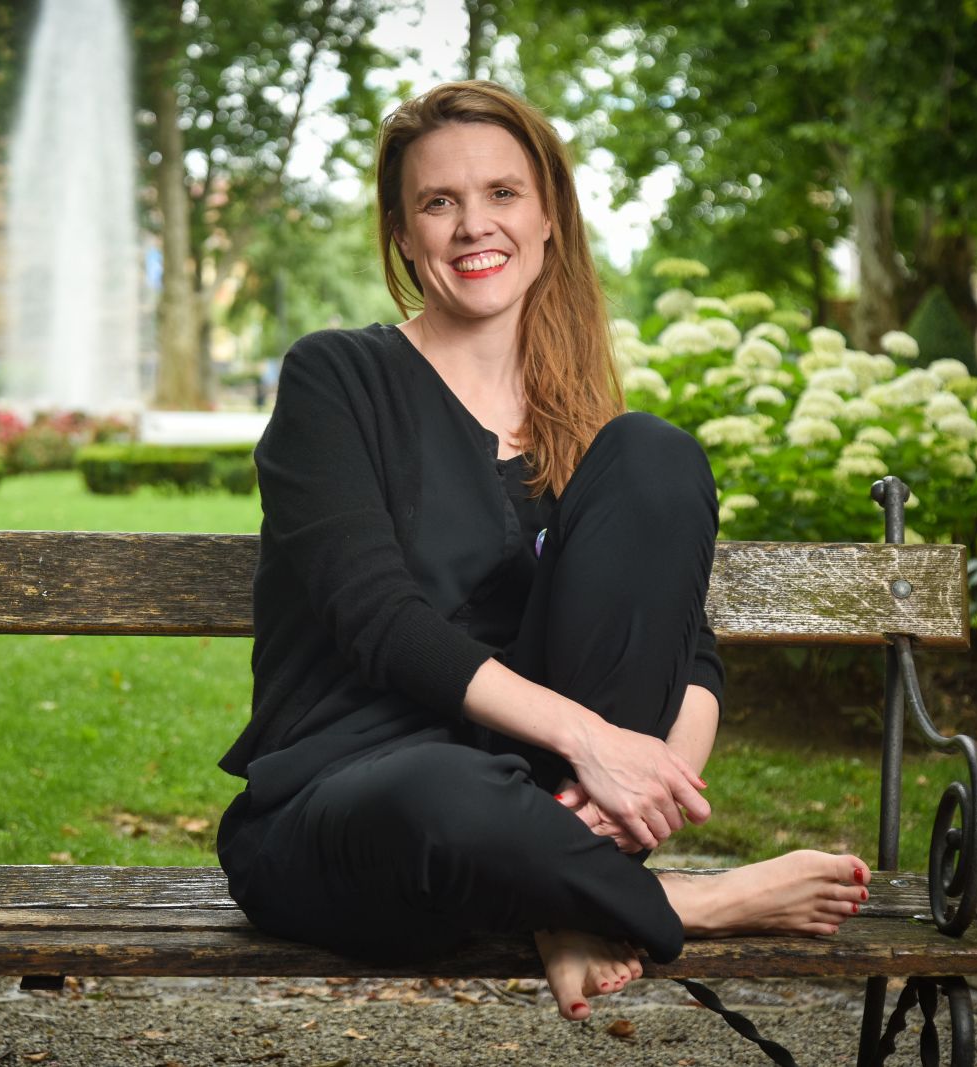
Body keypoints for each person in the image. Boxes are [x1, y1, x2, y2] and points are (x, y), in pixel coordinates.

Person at [216, 81, 870, 1024]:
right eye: (438, 202)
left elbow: (689, 654)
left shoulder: (589, 437)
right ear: (402, 234)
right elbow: (377, 621)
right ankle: (682, 903)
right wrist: (590, 741)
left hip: (543, 803)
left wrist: (636, 788)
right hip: (350, 808)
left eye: (502, 194)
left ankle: (575, 889)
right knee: (441, 789)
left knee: (658, 452)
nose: (473, 225)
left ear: (550, 213)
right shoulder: (336, 378)